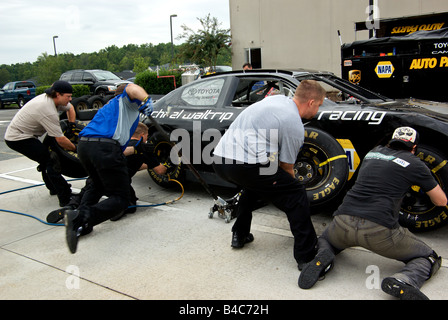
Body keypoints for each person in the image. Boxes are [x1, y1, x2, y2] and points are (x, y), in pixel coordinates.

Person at [298, 127, 447, 300]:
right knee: (428, 257)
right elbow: (440, 201)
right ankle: (404, 280)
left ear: (391, 141)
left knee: (325, 240)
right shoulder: (415, 164)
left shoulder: (372, 153)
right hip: (379, 231)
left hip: (342, 222)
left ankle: (323, 257)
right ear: (414, 148)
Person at [212, 80, 326, 270]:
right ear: (312, 102)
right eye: (320, 105)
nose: (318, 111)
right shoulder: (293, 123)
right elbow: (287, 168)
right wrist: (291, 198)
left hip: (220, 159)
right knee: (296, 194)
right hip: (243, 164)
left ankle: (239, 234)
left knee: (254, 185)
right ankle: (307, 256)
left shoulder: (277, 101)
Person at [63, 83, 154, 253]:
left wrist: (138, 151)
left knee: (97, 186)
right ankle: (80, 218)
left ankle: (82, 224)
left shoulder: (115, 110)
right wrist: (146, 99)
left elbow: (118, 151)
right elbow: (132, 88)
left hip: (85, 146)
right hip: (103, 147)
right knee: (120, 199)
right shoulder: (125, 100)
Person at [46, 122, 167, 223]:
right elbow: (160, 171)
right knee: (128, 201)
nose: (147, 138)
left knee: (86, 194)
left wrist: (147, 165)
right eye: (147, 135)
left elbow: (134, 164)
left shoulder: (118, 143)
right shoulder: (144, 148)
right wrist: (166, 164)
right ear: (142, 135)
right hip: (118, 182)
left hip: (97, 175)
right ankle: (117, 210)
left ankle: (71, 207)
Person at [4, 80, 77, 206]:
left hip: (27, 135)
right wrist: (76, 149)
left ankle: (53, 187)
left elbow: (71, 109)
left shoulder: (53, 99)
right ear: (58, 94)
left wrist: (72, 126)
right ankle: (65, 197)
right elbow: (60, 139)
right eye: (68, 96)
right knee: (51, 160)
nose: (70, 99)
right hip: (18, 138)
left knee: (45, 159)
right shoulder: (47, 109)